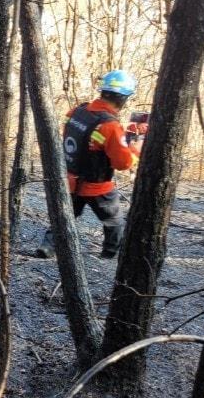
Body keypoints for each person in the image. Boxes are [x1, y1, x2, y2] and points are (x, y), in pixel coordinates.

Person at [35, 70, 143, 259]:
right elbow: (123, 163)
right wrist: (134, 148)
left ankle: (48, 247)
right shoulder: (110, 126)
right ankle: (109, 255)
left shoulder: (77, 111)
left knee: (65, 216)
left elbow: (86, 138)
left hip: (69, 179)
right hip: (97, 186)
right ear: (123, 98)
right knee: (114, 221)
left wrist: (120, 136)